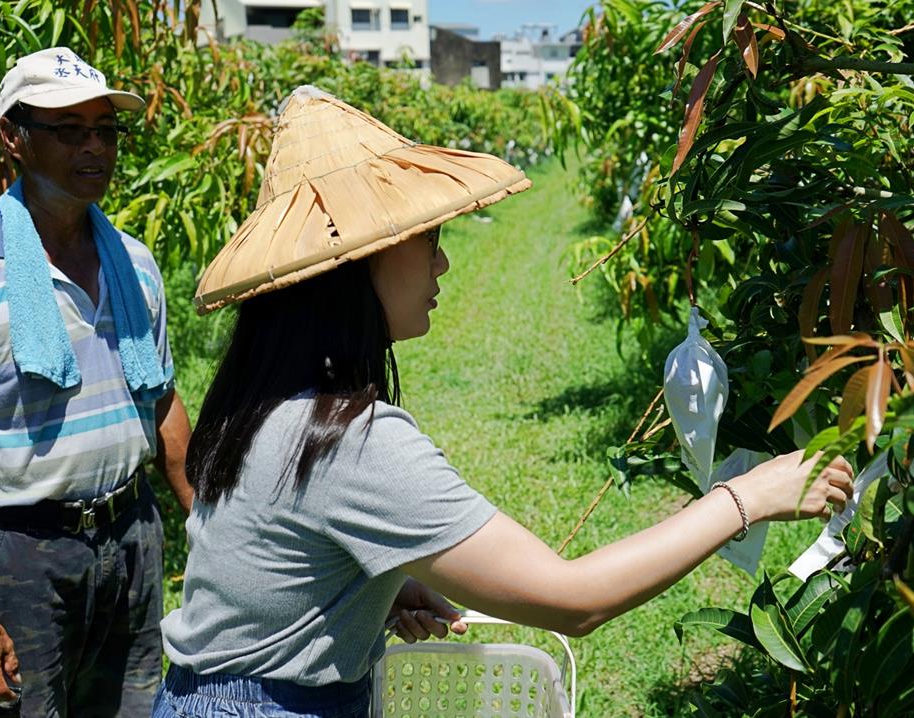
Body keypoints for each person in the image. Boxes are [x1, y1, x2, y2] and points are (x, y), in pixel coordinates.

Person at [153, 87, 854, 718]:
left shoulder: (262, 400)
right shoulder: (349, 439)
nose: (442, 263)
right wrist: (743, 499)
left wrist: (369, 588)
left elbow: (255, 565)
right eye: (427, 240)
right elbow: (571, 599)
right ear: (356, 263)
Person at [0, 46, 193, 717]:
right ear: (13, 137)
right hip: (19, 556)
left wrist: (207, 522)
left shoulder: (133, 262)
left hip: (130, 537)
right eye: (69, 130)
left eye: (105, 130)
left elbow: (162, 400)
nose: (94, 147)